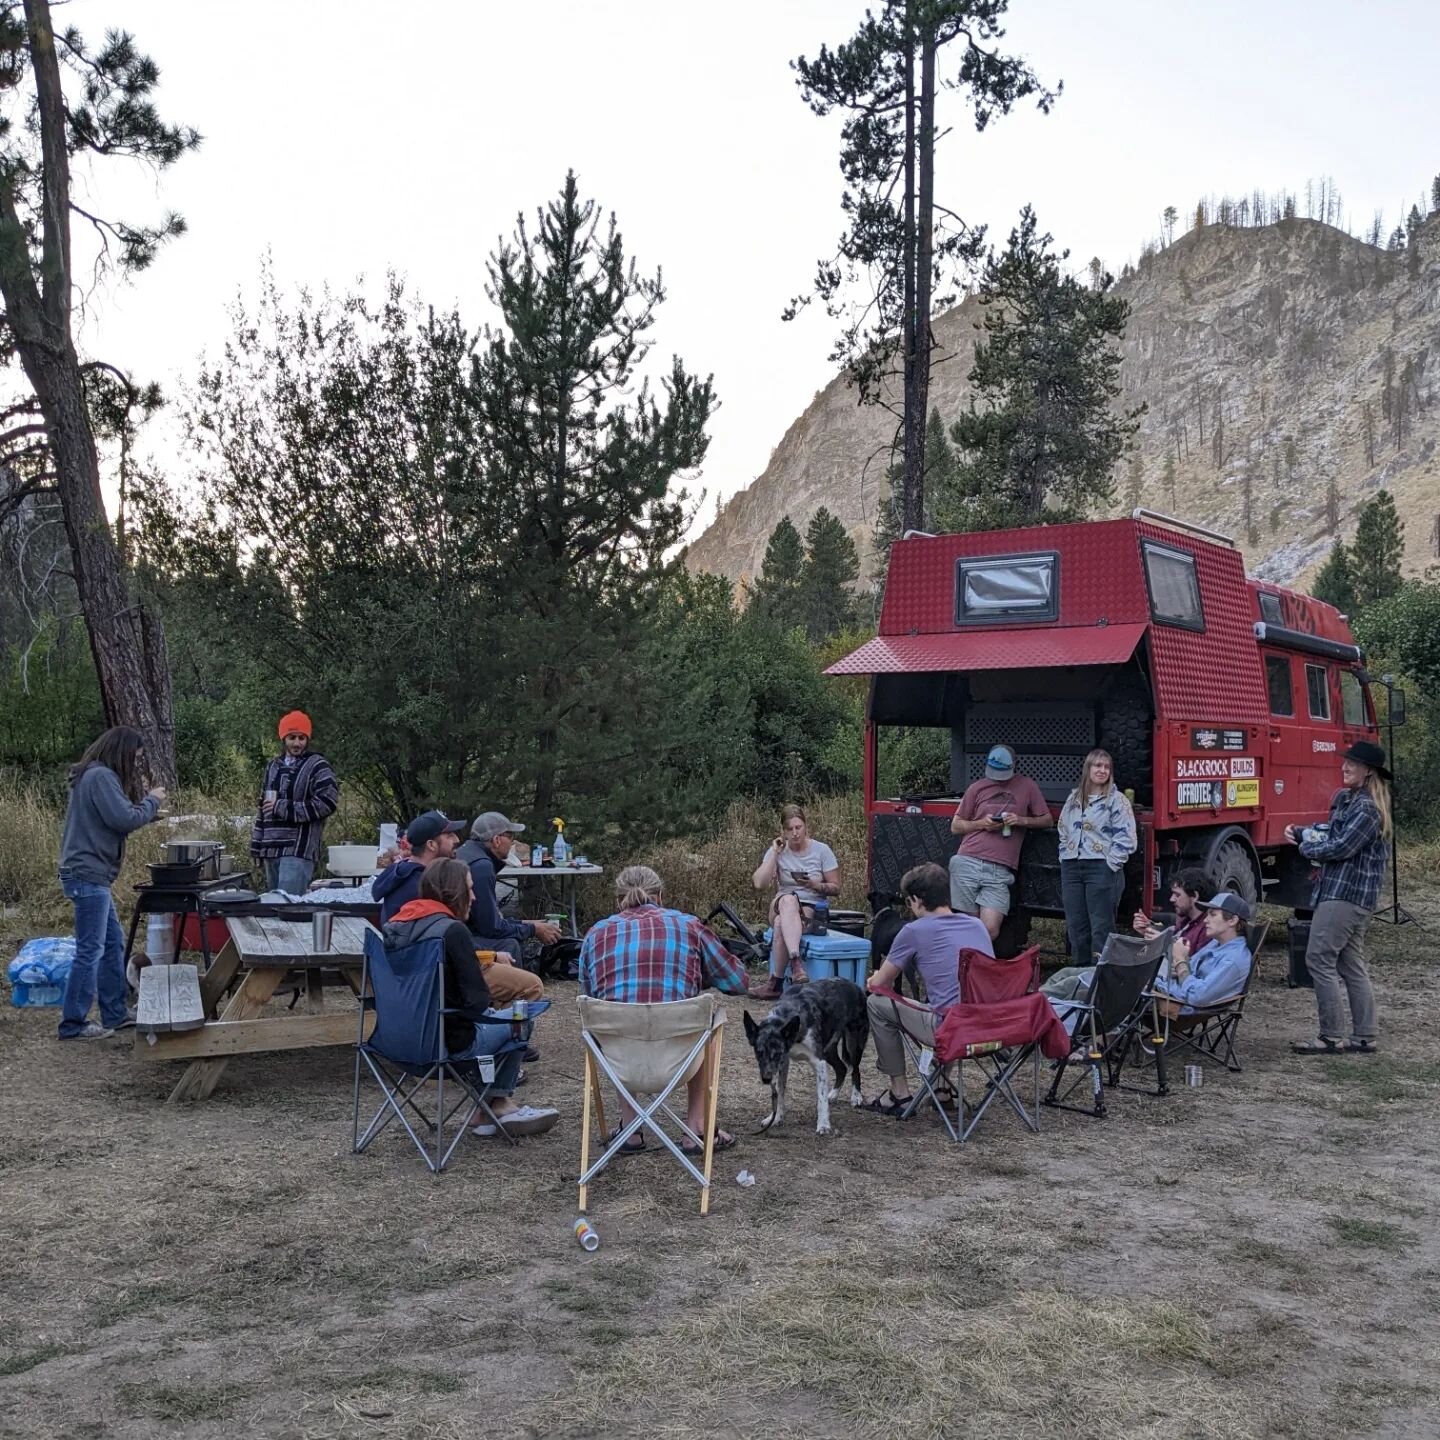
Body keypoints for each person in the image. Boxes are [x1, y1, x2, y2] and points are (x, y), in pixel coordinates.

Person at [381, 859, 558, 1137]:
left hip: (396, 1044)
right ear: (454, 892)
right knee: (519, 1018)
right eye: (470, 889)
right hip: (446, 1046)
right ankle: (498, 1103)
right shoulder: (451, 931)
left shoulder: (393, 928)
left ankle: (486, 1110)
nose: (474, 897)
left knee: (490, 1021)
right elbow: (476, 1001)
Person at [580, 865, 748, 1152]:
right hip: (681, 1060)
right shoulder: (690, 927)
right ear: (660, 896)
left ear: (617, 900)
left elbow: (589, 994)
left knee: (612, 1017)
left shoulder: (596, 935)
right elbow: (738, 981)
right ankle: (696, 1128)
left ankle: (630, 1127)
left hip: (623, 1064)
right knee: (707, 1019)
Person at [56, 726, 167, 1040]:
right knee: (90, 949)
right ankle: (73, 1024)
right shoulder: (102, 776)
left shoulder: (92, 775)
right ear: (123, 751)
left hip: (88, 872)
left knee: (112, 943)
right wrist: (152, 801)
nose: (135, 762)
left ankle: (115, 1014)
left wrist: (144, 812)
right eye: (136, 756)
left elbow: (115, 815)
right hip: (87, 873)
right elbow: (124, 820)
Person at [1283, 740, 1391, 1056]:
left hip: (1346, 894)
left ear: (1369, 771)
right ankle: (1364, 1036)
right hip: (1344, 893)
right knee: (1350, 963)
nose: (1344, 767)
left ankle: (1331, 1036)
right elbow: (1331, 832)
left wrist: (1304, 848)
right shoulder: (1349, 800)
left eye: (1352, 764)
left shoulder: (1368, 809)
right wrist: (1304, 832)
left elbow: (1341, 847)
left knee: (1318, 957)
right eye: (1345, 762)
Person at [864, 862, 994, 1115]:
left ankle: (898, 1094)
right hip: (989, 1026)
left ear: (916, 900)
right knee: (954, 1003)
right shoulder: (977, 925)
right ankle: (941, 1088)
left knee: (876, 1004)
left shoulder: (914, 930)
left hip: (950, 1028)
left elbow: (881, 984)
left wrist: (873, 980)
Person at [949, 744, 1052, 940]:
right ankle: (967, 968)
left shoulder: (1027, 786)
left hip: (1000, 869)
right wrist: (982, 824)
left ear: (1014, 766)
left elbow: (1046, 819)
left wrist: (1021, 820)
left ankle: (976, 965)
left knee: (989, 930)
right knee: (969, 927)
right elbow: (955, 826)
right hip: (967, 860)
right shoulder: (976, 788)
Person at [750, 803, 840, 1000]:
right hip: (782, 903)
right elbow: (759, 883)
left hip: (810, 910)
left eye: (798, 827)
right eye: (790, 829)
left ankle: (775, 983)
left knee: (782, 923)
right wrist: (774, 853)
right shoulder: (779, 851)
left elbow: (836, 888)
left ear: (805, 826)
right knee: (788, 900)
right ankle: (796, 960)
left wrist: (815, 885)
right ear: (783, 831)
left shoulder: (821, 850)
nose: (795, 833)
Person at [1057, 748, 1137, 965]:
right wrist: (1065, 855)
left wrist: (1111, 864)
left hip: (1100, 868)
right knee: (1076, 926)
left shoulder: (1117, 800)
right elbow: (1063, 827)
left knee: (1101, 927)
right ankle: (1079, 974)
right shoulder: (1074, 798)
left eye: (1106, 767)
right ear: (1088, 768)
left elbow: (1127, 837)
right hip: (1072, 867)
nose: (1102, 771)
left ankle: (1100, 979)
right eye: (1097, 766)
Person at [250, 711, 339, 894]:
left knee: (288, 907)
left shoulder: (317, 766)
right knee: (272, 908)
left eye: (301, 738)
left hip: (298, 848)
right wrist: (256, 845)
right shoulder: (273, 766)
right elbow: (263, 807)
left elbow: (327, 802)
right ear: (283, 739)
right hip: (271, 848)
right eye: (292, 737)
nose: (297, 743)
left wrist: (283, 807)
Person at [1151, 892, 1255, 1014]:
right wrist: (1181, 959)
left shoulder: (1233, 960)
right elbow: (1189, 970)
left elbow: (1197, 997)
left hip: (1177, 1007)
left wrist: (1180, 961)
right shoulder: (1216, 944)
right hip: (1170, 991)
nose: (1205, 920)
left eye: (1212, 915)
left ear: (1232, 920)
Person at [372, 811, 466, 923]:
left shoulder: (402, 872)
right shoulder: (422, 887)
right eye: (450, 835)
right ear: (431, 845)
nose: (457, 840)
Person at [1132, 867, 1211, 955]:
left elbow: (1198, 964)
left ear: (1195, 896)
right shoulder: (1184, 920)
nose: (1171, 899)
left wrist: (1163, 944)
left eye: (1177, 895)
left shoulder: (1208, 929)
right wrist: (1149, 929)